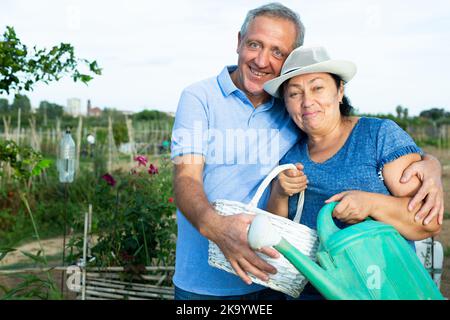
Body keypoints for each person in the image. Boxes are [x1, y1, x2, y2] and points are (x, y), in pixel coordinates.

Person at [171, 3, 443, 300]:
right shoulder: (202, 99)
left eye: (277, 52)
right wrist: (224, 227)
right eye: (254, 44)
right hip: (213, 283)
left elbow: (424, 218)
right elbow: (187, 178)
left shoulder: (358, 131)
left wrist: (430, 164)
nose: (262, 60)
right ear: (238, 42)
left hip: (286, 283)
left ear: (340, 91)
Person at [264, 46, 442, 299]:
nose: (307, 102)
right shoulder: (289, 156)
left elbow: (427, 223)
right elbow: (276, 234)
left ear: (340, 92)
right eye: (294, 93)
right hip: (309, 293)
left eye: (317, 88)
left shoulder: (378, 135)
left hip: (382, 289)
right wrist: (280, 193)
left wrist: (370, 203)